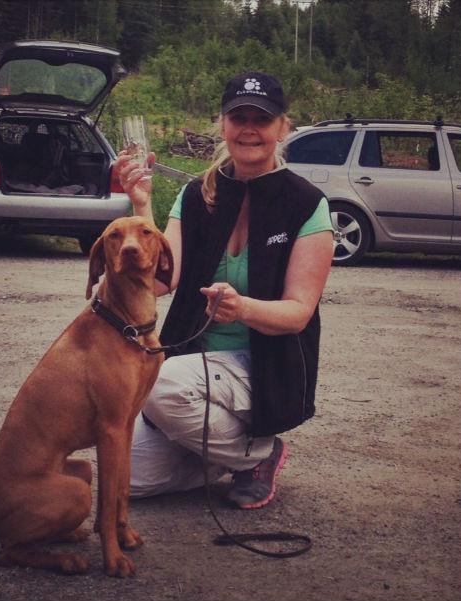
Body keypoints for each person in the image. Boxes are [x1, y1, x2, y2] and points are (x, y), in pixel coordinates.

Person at [114, 71, 334, 509]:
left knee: (159, 384)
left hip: (263, 366)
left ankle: (259, 454)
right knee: (126, 481)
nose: (249, 129)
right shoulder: (196, 196)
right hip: (194, 364)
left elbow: (298, 313)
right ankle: (224, 455)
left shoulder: (306, 204)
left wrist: (244, 308)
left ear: (282, 128)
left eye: (262, 118)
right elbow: (161, 281)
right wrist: (140, 206)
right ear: (223, 125)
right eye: (239, 117)